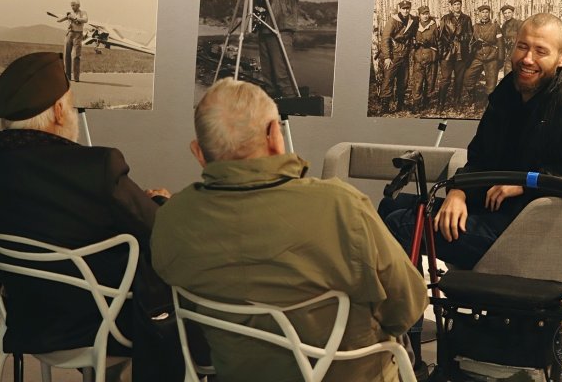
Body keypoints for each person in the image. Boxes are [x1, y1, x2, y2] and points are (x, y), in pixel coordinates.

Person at [152, 78, 427, 382]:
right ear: (274, 134)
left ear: (198, 152)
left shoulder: (172, 218)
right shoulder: (341, 206)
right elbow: (408, 305)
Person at [0, 51, 184, 381]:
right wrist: (162, 202)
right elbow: (159, 231)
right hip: (103, 323)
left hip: (26, 319)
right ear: (60, 112)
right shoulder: (98, 167)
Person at [380, 13, 562, 272]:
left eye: (541, 51)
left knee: (402, 224)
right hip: (492, 210)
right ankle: (409, 302)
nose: (528, 59)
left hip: (527, 230)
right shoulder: (507, 93)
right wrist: (459, 192)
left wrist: (526, 184)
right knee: (390, 206)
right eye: (522, 46)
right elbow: (480, 156)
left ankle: (402, 310)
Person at [379, 0, 417, 113]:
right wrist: (387, 57)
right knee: (388, 80)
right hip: (393, 55)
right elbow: (385, 38)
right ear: (399, 9)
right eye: (403, 8)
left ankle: (400, 105)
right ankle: (385, 107)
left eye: (407, 8)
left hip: (404, 55)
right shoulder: (393, 20)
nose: (406, 10)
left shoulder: (412, 20)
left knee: (403, 81)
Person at [462, 4, 503, 107]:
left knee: (491, 82)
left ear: (489, 13)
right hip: (478, 56)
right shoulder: (475, 27)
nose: (485, 14)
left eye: (486, 12)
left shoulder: (495, 26)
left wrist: (500, 59)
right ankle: (472, 97)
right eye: (482, 12)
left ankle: (488, 101)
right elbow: (470, 43)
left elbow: (500, 43)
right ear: (479, 14)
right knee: (467, 77)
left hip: (491, 57)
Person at [436, 0, 473, 110]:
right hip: (447, 53)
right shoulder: (445, 18)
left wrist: (462, 38)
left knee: (459, 78)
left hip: (461, 53)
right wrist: (442, 53)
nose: (457, 7)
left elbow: (470, 35)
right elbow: (440, 37)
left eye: (459, 4)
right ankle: (440, 103)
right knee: (445, 79)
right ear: (451, 7)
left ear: (461, 6)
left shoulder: (466, 18)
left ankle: (456, 101)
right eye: (455, 5)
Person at [409, 5, 439, 113]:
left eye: (427, 14)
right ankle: (416, 103)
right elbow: (410, 38)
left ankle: (426, 101)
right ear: (419, 15)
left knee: (430, 81)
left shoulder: (434, 25)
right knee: (418, 81)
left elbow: (439, 40)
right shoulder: (415, 25)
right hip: (419, 57)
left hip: (431, 57)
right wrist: (415, 44)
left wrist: (431, 43)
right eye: (423, 14)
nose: (425, 16)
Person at [57, 0, 88, 82]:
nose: (72, 7)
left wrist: (74, 17)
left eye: (73, 5)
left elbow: (85, 20)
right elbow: (58, 20)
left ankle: (76, 77)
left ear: (78, 5)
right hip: (69, 34)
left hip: (78, 35)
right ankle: (67, 76)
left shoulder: (83, 13)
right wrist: (66, 16)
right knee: (67, 55)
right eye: (71, 5)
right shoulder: (70, 13)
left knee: (76, 56)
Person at [500, 4, 522, 75]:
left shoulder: (519, 23)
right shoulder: (504, 25)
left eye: (509, 12)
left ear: (512, 13)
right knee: (507, 70)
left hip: (519, 51)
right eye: (505, 13)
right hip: (509, 52)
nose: (507, 15)